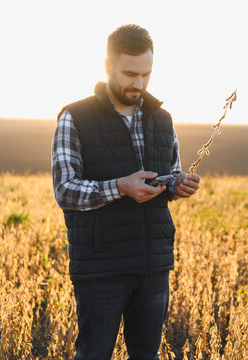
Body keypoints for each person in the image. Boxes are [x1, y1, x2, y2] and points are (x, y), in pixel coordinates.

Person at [51, 24, 200, 360]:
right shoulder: (75, 117)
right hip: (101, 265)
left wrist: (178, 185)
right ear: (107, 67)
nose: (139, 84)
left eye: (146, 74)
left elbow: (168, 177)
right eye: (130, 73)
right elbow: (65, 191)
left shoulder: (163, 119)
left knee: (147, 356)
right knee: (94, 354)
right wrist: (120, 187)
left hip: (153, 264)